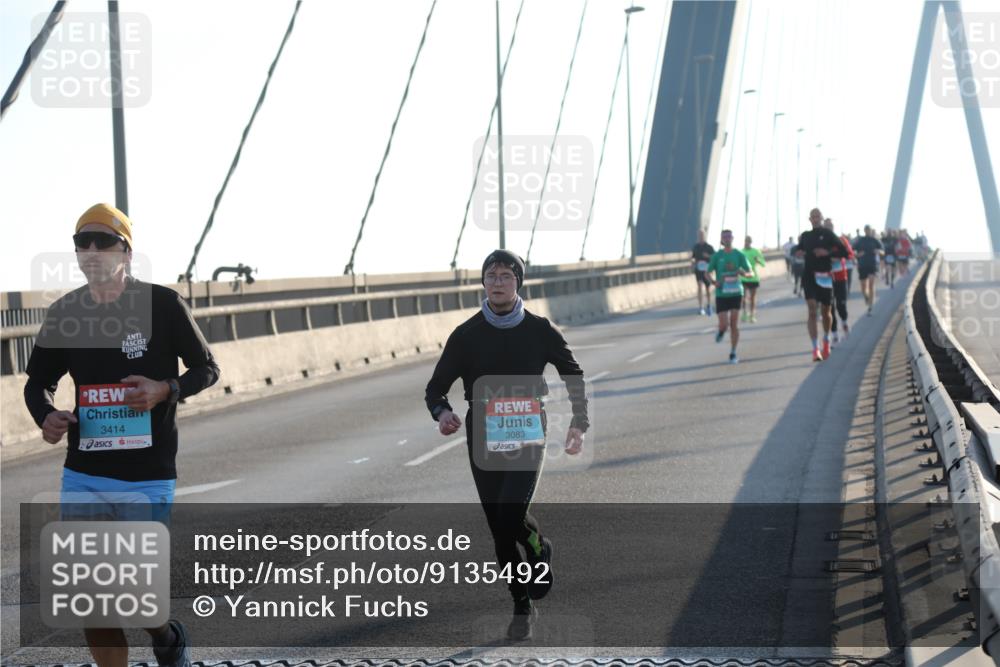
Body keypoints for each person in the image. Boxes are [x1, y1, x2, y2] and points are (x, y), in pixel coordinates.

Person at [23, 203, 220, 667]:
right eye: (81, 243)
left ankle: (167, 636)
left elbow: (208, 369)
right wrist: (46, 415)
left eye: (102, 242)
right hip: (85, 471)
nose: (90, 251)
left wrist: (164, 389)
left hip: (148, 472)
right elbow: (38, 382)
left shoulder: (163, 305)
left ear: (126, 252)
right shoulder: (65, 312)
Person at [424, 249, 588, 641]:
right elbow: (435, 388)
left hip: (528, 427)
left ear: (518, 282)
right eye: (491, 276)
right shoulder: (466, 334)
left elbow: (573, 373)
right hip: (483, 433)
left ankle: (537, 547)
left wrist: (579, 423)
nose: (497, 282)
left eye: (505, 276)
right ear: (483, 283)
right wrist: (443, 413)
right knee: (498, 529)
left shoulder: (539, 329)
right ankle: (521, 603)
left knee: (511, 511)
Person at [796, 208, 846, 361]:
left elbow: (844, 252)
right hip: (809, 276)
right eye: (813, 217)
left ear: (821, 218)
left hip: (824, 276)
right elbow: (799, 249)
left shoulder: (829, 234)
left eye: (818, 216)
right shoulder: (805, 236)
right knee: (812, 310)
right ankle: (815, 348)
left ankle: (826, 339)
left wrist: (827, 253)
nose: (816, 219)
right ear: (810, 219)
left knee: (826, 311)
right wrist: (798, 252)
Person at [707, 229, 753, 364]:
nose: (727, 239)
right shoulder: (717, 256)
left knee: (734, 324)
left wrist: (744, 273)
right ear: (722, 239)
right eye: (724, 237)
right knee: (724, 324)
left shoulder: (739, 254)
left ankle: (733, 353)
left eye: (729, 236)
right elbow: (707, 273)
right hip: (722, 294)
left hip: (736, 293)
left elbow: (751, 273)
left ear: (732, 238)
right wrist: (715, 283)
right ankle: (721, 331)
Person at [824, 218, 854, 344]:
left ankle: (845, 322)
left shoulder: (841, 240)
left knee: (841, 305)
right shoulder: (821, 242)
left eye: (830, 226)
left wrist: (838, 258)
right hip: (826, 279)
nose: (829, 228)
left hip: (841, 277)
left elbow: (850, 254)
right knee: (830, 307)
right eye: (827, 226)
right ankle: (834, 333)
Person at [853, 225, 884, 315]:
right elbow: (853, 251)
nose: (867, 231)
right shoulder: (860, 240)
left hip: (872, 265)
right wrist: (857, 255)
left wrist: (878, 252)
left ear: (870, 230)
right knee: (863, 287)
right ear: (864, 230)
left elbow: (883, 251)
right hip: (862, 265)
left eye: (869, 230)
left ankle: (870, 305)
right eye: (866, 230)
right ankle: (866, 297)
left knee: (871, 284)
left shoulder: (875, 240)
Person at [740, 235, 766, 323]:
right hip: (743, 277)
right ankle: (744, 313)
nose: (747, 243)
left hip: (754, 278)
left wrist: (758, 260)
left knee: (752, 298)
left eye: (748, 241)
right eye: (746, 241)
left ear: (751, 242)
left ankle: (752, 315)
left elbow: (763, 264)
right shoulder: (741, 252)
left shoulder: (756, 251)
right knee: (743, 297)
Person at [691, 229, 715, 315]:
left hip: (707, 270)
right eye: (699, 235)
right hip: (698, 269)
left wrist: (708, 256)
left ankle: (708, 305)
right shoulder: (696, 247)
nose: (700, 236)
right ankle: (700, 307)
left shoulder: (709, 247)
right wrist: (693, 262)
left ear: (705, 236)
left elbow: (714, 257)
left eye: (702, 235)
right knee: (699, 286)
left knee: (708, 289)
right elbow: (693, 257)